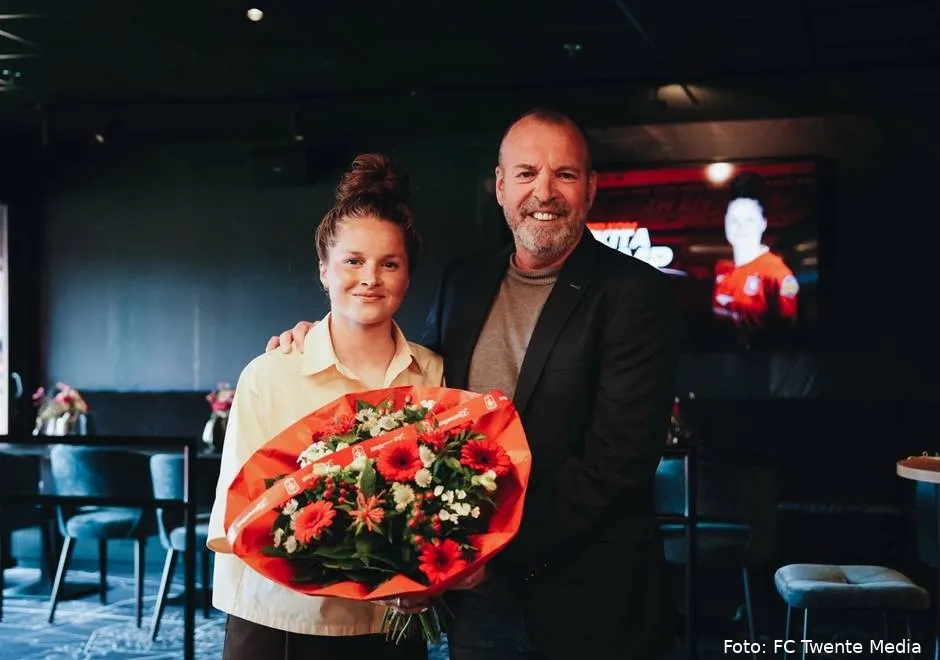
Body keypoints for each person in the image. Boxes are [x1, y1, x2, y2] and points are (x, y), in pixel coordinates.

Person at [266, 109, 679, 660]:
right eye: (528, 173)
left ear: (591, 188)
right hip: (479, 608)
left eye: (566, 174)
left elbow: (618, 464)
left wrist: (484, 553)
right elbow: (414, 390)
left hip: (586, 599)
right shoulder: (465, 280)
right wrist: (315, 334)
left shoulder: (636, 294)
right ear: (502, 186)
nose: (545, 192)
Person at [207, 153, 440, 660]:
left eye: (389, 263)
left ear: (407, 275)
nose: (370, 278)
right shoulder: (269, 375)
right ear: (323, 270)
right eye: (353, 261)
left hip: (388, 624)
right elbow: (238, 522)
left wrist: (427, 571)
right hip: (280, 622)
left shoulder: (432, 375)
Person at [712, 171, 799, 338]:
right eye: (733, 220)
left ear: (763, 223)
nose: (740, 227)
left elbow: (788, 334)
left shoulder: (778, 275)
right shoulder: (722, 269)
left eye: (749, 220)